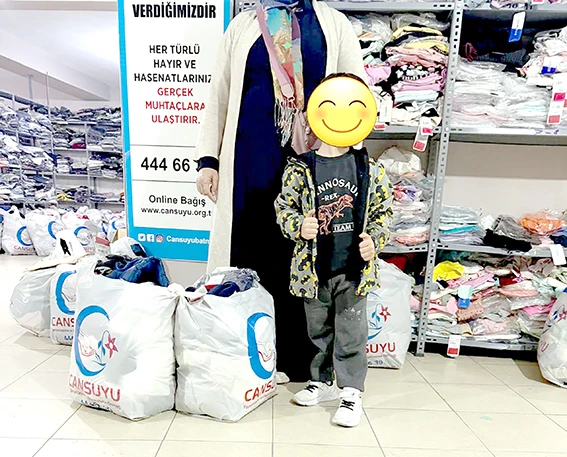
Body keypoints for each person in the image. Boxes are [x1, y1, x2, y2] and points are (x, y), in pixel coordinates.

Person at [195, 0, 364, 381]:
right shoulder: (243, 26)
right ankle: (242, 350)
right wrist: (208, 160)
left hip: (312, 165)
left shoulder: (333, 25)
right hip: (249, 160)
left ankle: (300, 359)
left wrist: (350, 162)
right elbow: (220, 92)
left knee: (303, 254)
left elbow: (355, 91)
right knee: (249, 248)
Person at [274, 76, 393, 426]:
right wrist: (299, 225)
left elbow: (383, 214)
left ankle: (351, 391)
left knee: (351, 332)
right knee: (318, 331)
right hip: (313, 272)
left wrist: (374, 240)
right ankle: (322, 381)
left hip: (353, 271)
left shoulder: (370, 170)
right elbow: (284, 208)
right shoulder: (300, 168)